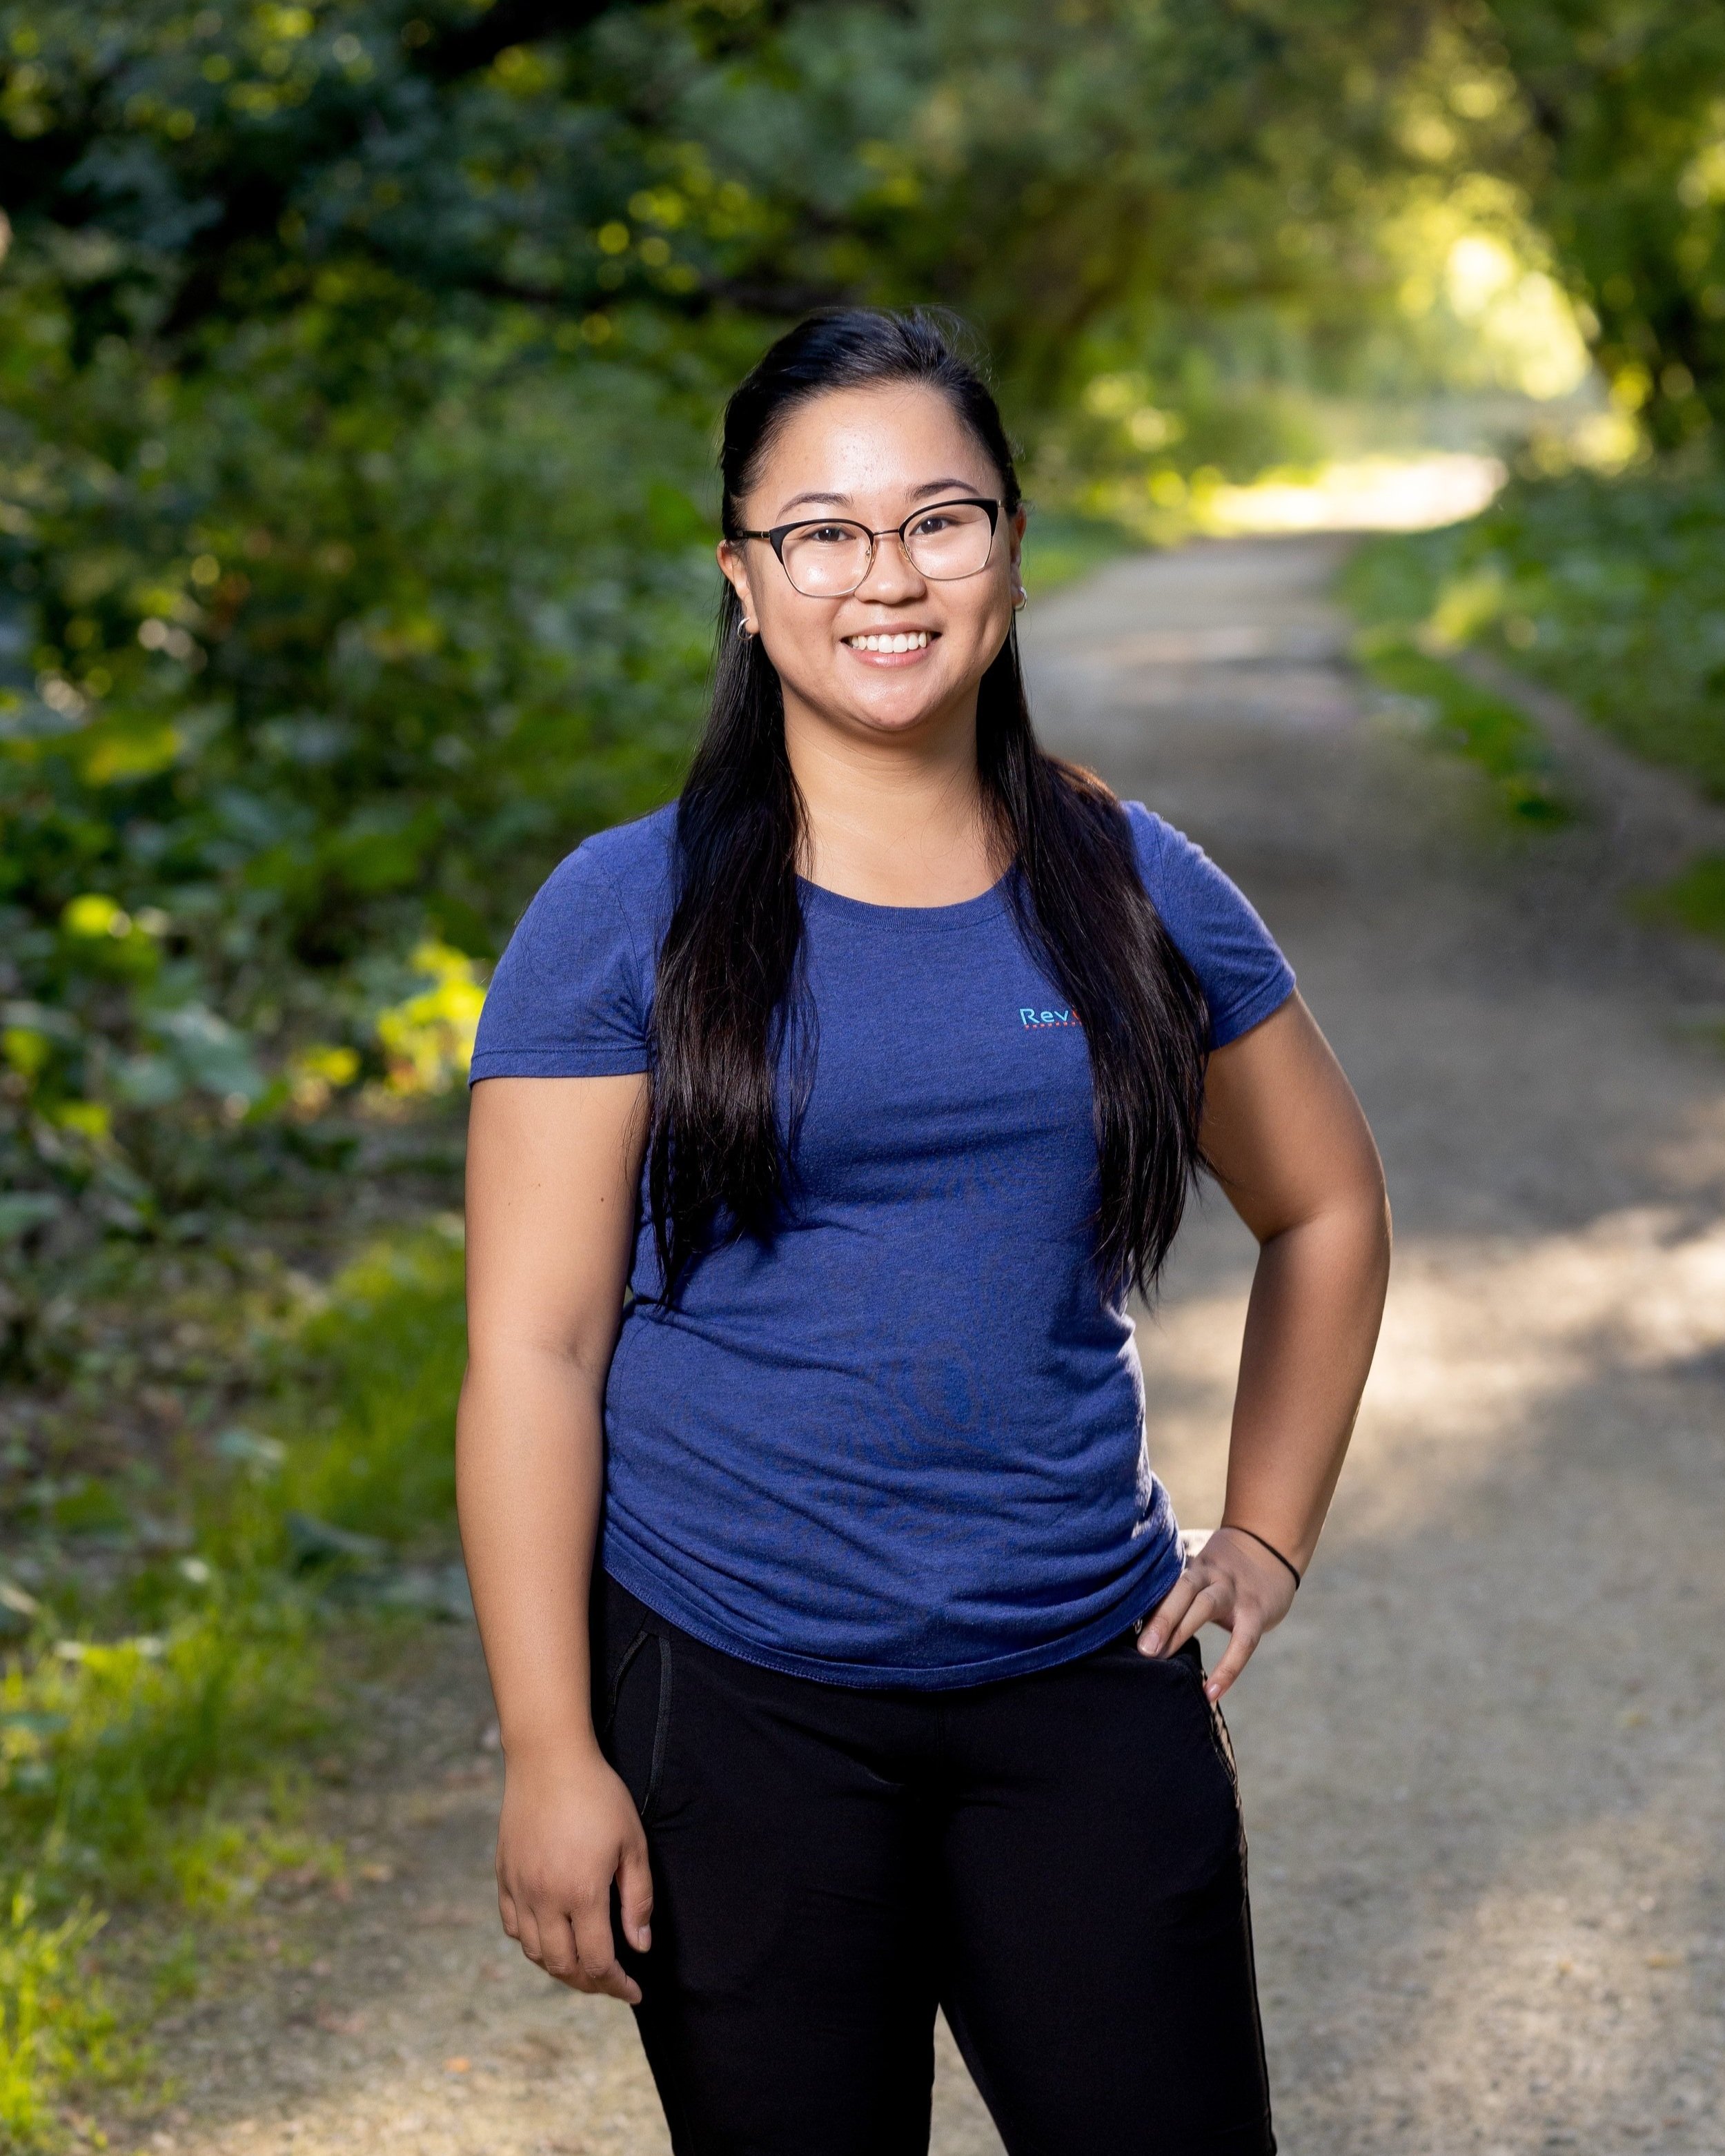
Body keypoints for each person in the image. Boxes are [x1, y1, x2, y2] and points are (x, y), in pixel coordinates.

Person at [457, 308, 1391, 2156]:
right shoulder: (618, 911)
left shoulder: (1126, 881)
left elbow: (1329, 1203)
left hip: (1081, 1678)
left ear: (1012, 548)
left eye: (939, 520)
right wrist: (551, 1748)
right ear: (741, 576)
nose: (884, 577)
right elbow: (532, 1351)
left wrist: (1269, 1533)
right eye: (820, 530)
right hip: (729, 1695)